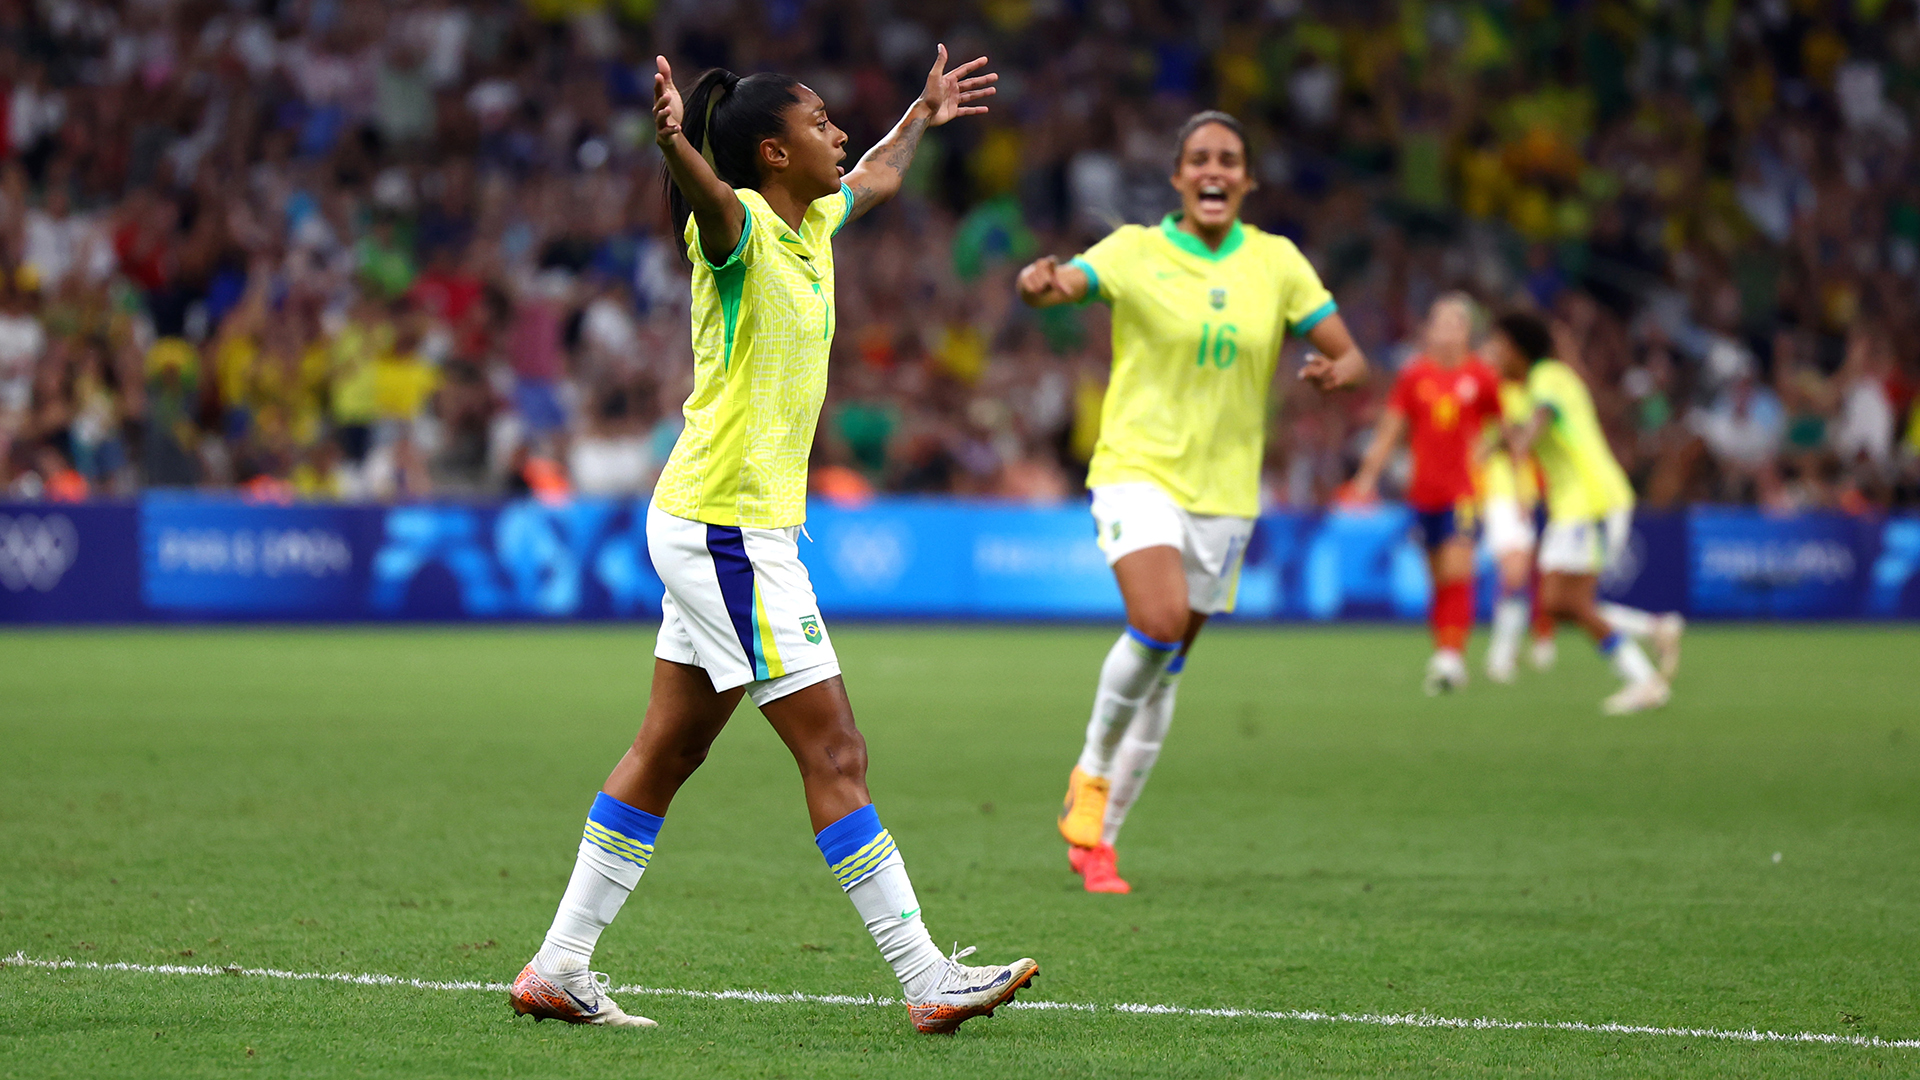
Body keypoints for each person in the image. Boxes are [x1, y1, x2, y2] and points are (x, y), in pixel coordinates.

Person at [510, 48, 1038, 1035]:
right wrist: (672, 142)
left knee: (667, 751)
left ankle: (560, 964)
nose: (840, 133)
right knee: (835, 747)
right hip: (728, 530)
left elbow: (878, 167)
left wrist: (921, 114)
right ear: (773, 152)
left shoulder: (818, 221)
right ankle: (924, 974)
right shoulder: (742, 228)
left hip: (725, 525)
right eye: (822, 122)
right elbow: (709, 200)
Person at [1016, 110, 1369, 894]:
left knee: (1167, 669)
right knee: (1160, 620)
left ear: (1245, 180)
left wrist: (1337, 371)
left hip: (1226, 493)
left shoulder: (1277, 263)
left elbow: (1350, 353)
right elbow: (1063, 284)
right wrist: (1039, 284)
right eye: (1200, 158)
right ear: (1178, 178)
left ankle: (1101, 841)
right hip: (1136, 470)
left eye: (1230, 160)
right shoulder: (1136, 250)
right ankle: (1092, 770)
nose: (1215, 170)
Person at [1491, 310, 1682, 715]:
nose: (1495, 353)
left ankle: (1646, 679)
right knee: (1558, 604)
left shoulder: (1549, 376)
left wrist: (1520, 443)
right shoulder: (1525, 385)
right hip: (1572, 506)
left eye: (1500, 345)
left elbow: (1542, 417)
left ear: (1519, 350)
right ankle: (1655, 631)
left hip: (1591, 501)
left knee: (1568, 601)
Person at [1349, 294, 1502, 694]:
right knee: (1438, 579)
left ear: (1467, 330)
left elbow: (1504, 424)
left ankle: (1450, 657)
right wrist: (1367, 477)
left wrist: (1491, 446)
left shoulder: (1482, 377)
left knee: (1457, 569)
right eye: (1439, 321)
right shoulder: (1414, 376)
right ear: (1429, 329)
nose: (1446, 329)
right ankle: (1445, 654)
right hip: (1424, 494)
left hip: (1465, 493)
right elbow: (1390, 430)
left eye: (1454, 322)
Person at [1478, 372, 1554, 683]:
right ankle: (1500, 655)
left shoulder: (1530, 394)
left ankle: (1504, 654)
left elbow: (1528, 446)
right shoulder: (1493, 394)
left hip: (1526, 494)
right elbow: (1487, 444)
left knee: (1519, 577)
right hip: (1498, 493)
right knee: (1514, 573)